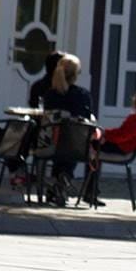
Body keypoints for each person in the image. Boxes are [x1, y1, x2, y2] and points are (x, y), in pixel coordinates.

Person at [84, 88, 136, 206]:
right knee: (95, 150)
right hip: (126, 149)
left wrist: (104, 134)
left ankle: (89, 191)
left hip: (121, 149)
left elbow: (121, 136)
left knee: (91, 145)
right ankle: (91, 191)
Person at [42, 53, 94, 205]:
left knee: (60, 141)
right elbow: (87, 118)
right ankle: (64, 178)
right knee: (73, 141)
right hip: (76, 146)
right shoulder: (83, 95)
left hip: (51, 144)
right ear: (76, 75)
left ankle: (57, 181)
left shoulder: (50, 95)